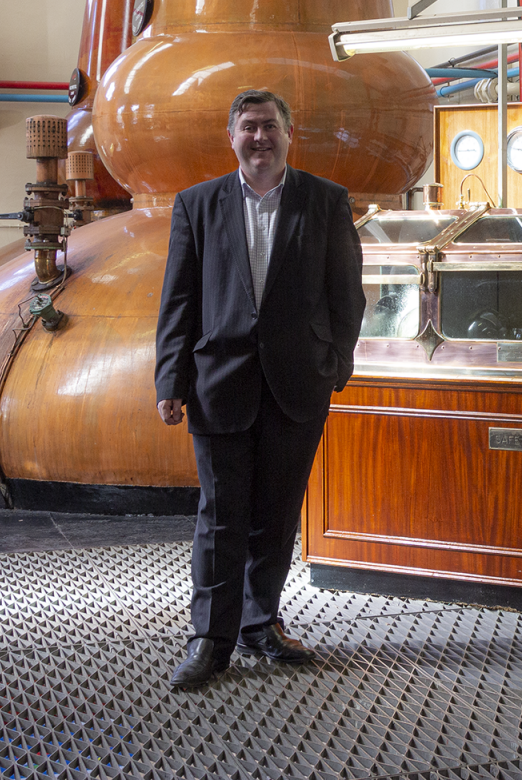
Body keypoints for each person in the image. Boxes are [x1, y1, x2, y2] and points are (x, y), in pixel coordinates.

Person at [155, 88, 366, 690]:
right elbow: (178, 302)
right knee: (220, 516)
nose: (260, 137)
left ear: (287, 133)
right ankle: (209, 638)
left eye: (270, 126)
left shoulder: (325, 202)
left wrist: (336, 364)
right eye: (248, 127)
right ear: (232, 136)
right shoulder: (196, 205)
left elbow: (346, 294)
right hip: (218, 382)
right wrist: (171, 378)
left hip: (299, 384)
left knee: (276, 515)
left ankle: (260, 623)